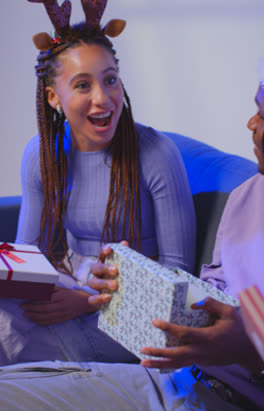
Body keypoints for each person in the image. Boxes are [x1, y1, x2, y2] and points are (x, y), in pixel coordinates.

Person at [0, 72, 264, 411]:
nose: (251, 124)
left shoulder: (154, 153)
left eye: (263, 114)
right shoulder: (250, 195)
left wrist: (251, 351)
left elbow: (242, 333)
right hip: (175, 384)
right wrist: (133, 283)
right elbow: (212, 294)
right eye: (255, 110)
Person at [0, 0, 196, 365]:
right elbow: (28, 260)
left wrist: (87, 301)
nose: (102, 99)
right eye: (82, 85)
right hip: (66, 289)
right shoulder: (41, 157)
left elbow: (180, 280)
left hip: (132, 314)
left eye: (110, 80)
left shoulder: (156, 155)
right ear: (53, 97)